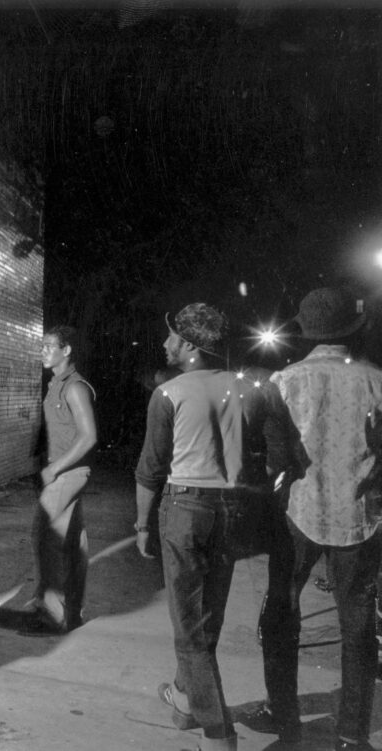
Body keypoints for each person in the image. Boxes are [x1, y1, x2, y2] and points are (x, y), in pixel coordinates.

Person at [134, 303, 286, 751]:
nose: (165, 344)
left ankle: (220, 735)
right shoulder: (248, 390)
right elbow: (277, 455)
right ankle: (184, 699)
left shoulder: (170, 394)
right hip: (232, 511)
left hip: (185, 509)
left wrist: (142, 523)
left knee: (189, 629)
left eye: (172, 338)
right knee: (206, 619)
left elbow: (150, 469)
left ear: (190, 346)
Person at [258, 287, 382, 751]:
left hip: (298, 514)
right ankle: (351, 734)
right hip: (360, 517)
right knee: (357, 625)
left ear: (308, 332)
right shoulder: (376, 380)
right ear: (350, 332)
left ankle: (282, 715)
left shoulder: (285, 381)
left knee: (281, 614)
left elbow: (275, 456)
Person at [20, 325, 96, 635]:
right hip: (68, 471)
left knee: (45, 537)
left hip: (68, 473)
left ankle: (52, 614)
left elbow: (89, 436)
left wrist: (54, 468)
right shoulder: (56, 384)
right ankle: (72, 614)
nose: (43, 350)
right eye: (43, 345)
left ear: (67, 351)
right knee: (74, 543)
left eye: (50, 346)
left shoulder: (74, 387)